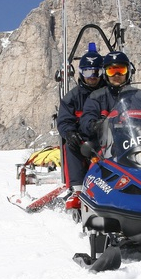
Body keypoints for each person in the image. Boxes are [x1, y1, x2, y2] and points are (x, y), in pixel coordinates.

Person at [56, 43, 105, 210]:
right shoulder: (72, 97)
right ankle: (77, 189)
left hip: (106, 139)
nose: (92, 77)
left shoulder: (109, 93)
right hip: (82, 140)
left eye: (96, 72)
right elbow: (64, 121)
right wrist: (70, 133)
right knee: (71, 146)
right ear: (81, 73)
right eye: (88, 72)